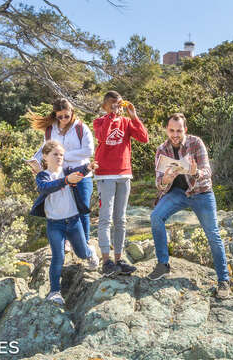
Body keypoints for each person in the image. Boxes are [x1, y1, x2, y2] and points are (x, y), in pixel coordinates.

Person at [147, 113, 230, 299]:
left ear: (185, 129)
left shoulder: (196, 143)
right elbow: (159, 183)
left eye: (179, 130)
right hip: (177, 193)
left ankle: (223, 280)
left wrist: (196, 172)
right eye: (171, 130)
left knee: (213, 234)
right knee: (155, 217)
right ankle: (163, 265)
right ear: (167, 130)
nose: (175, 134)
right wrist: (166, 179)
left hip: (200, 192)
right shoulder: (161, 149)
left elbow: (208, 171)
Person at [29, 140, 101, 306]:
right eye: (55, 154)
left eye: (61, 154)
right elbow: (46, 188)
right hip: (55, 225)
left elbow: (78, 171)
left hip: (74, 221)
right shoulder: (43, 176)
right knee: (58, 257)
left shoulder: (67, 171)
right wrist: (66, 181)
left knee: (82, 253)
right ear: (45, 157)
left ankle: (90, 253)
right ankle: (54, 292)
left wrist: (87, 168)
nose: (59, 157)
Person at [93, 91, 149, 276]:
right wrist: (111, 116)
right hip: (105, 175)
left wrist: (133, 116)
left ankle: (119, 259)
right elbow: (102, 136)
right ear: (105, 106)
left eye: (119, 104)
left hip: (124, 175)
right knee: (105, 218)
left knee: (121, 219)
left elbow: (144, 138)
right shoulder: (99, 121)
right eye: (112, 104)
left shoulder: (126, 123)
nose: (116, 107)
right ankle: (106, 261)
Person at [28, 98, 95, 252]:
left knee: (82, 209)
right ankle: (66, 242)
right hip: (60, 175)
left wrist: (63, 155)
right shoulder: (51, 129)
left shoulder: (81, 128)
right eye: (60, 117)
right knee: (64, 210)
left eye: (66, 115)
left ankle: (84, 243)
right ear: (55, 115)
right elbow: (47, 148)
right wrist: (37, 161)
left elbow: (88, 151)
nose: (64, 119)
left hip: (81, 174)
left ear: (72, 112)